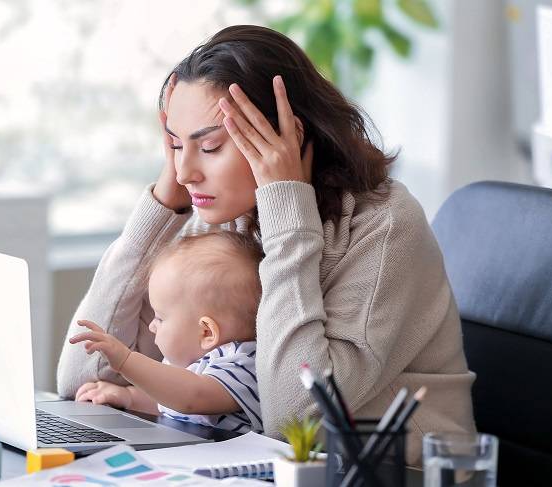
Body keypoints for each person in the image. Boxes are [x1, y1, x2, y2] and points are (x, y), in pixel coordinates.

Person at [56, 24, 476, 465]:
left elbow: (296, 420)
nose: (185, 171)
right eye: (176, 146)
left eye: (211, 147)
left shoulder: (385, 226)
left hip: (394, 472)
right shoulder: (229, 214)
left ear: (287, 136)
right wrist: (163, 205)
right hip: (255, 463)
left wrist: (286, 213)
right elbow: (81, 377)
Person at [70, 231, 264, 434]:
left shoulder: (243, 362)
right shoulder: (187, 368)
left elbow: (191, 398)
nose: (152, 326)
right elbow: (168, 401)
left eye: (160, 318)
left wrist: (126, 361)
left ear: (206, 332)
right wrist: (128, 396)